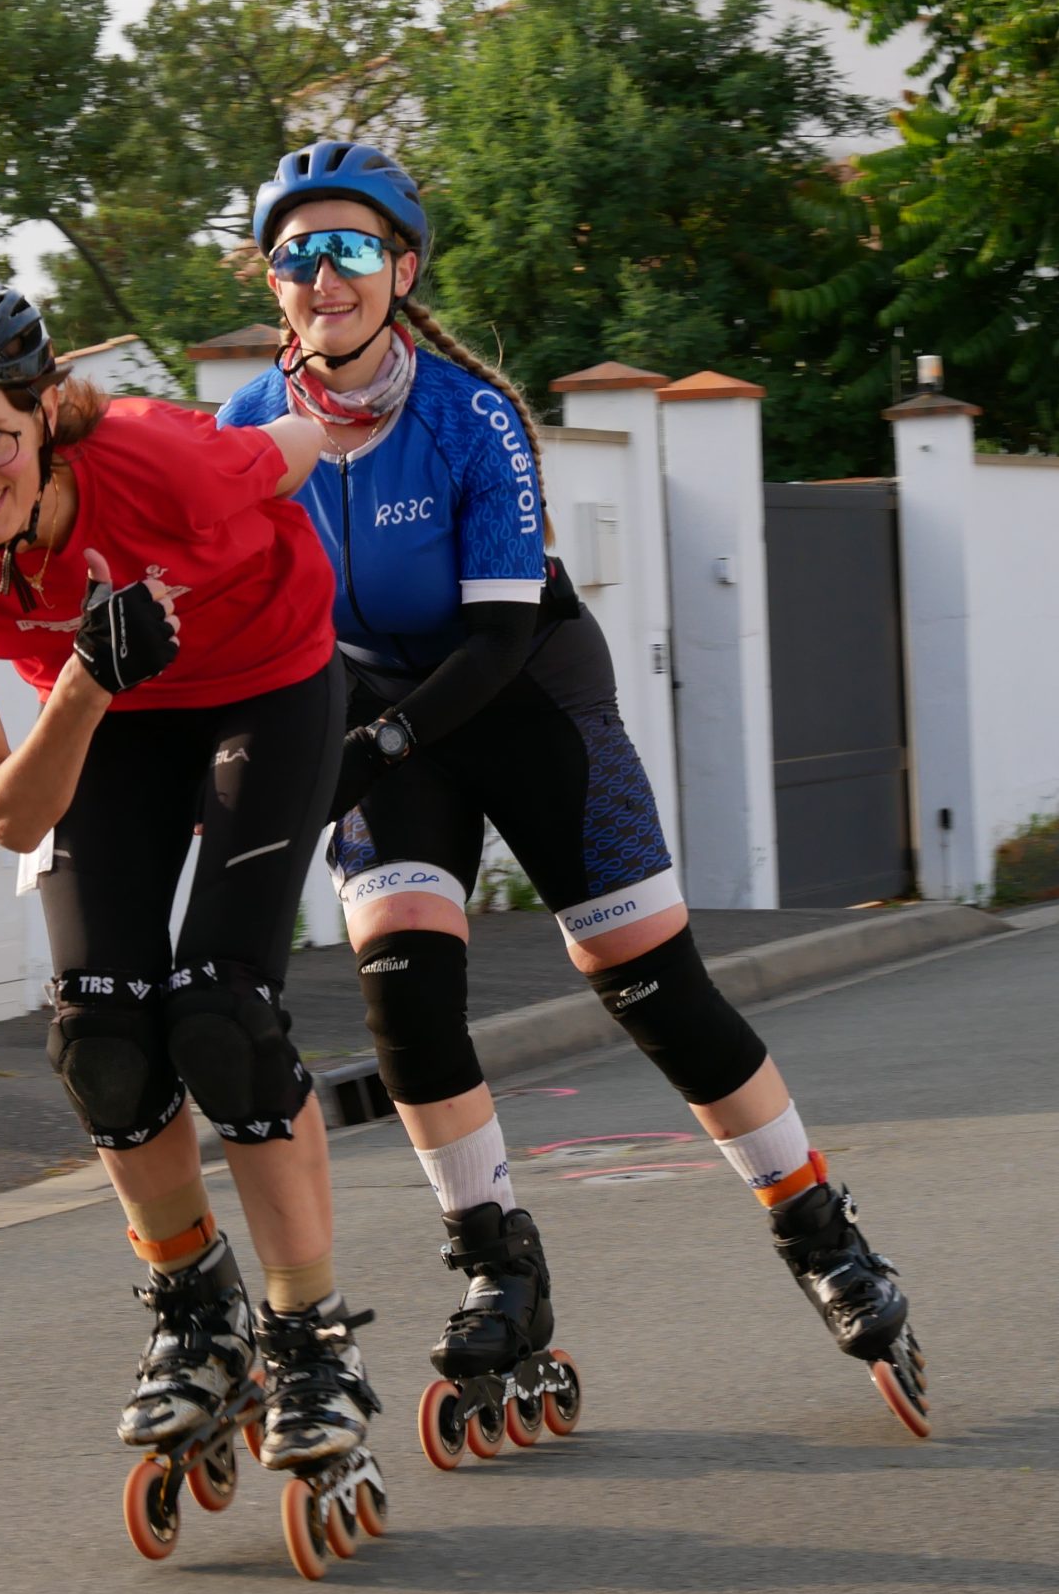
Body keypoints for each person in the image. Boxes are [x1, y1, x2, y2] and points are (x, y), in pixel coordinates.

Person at [215, 143, 929, 1441]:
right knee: (401, 993)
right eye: (297, 254)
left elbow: (495, 637)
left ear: (402, 270)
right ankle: (497, 1262)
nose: (323, 276)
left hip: (523, 692)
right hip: (377, 711)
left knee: (651, 986)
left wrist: (368, 750)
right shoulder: (246, 428)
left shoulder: (471, 415)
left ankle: (819, 1226)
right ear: (274, 282)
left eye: (352, 249)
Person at [0, 273, 381, 1473]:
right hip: (110, 707)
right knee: (98, 1030)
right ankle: (195, 1312)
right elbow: (5, 810)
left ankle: (311, 1337)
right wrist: (87, 682)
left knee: (222, 1013)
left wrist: (336, 408)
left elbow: (292, 446)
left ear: (44, 415)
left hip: (268, 680)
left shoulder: (159, 463)